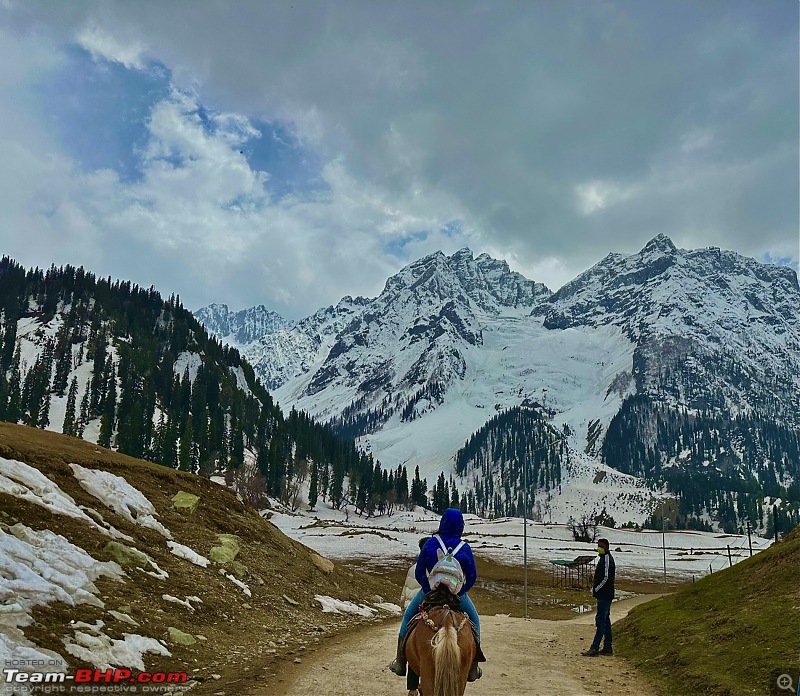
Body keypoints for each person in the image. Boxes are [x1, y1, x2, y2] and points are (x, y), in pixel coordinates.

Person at [389, 508, 482, 681]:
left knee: (408, 616)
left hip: (430, 594)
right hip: (456, 596)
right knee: (475, 621)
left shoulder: (431, 543)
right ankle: (473, 668)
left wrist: (427, 588)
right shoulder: (465, 548)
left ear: (442, 523)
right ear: (461, 526)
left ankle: (400, 661)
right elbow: (472, 576)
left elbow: (419, 572)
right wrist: (459, 591)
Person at [582, 537, 615, 656]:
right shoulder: (603, 558)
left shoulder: (606, 559)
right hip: (604, 594)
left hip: (604, 595)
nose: (599, 548)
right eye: (598, 546)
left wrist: (596, 588)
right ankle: (607, 646)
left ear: (606, 547)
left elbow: (606, 578)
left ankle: (595, 647)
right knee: (605, 619)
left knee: (600, 620)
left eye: (601, 546)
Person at [400, 537, 428, 609]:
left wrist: (403, 607)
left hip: (409, 607)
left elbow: (404, 592)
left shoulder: (412, 569)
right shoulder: (433, 569)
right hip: (424, 608)